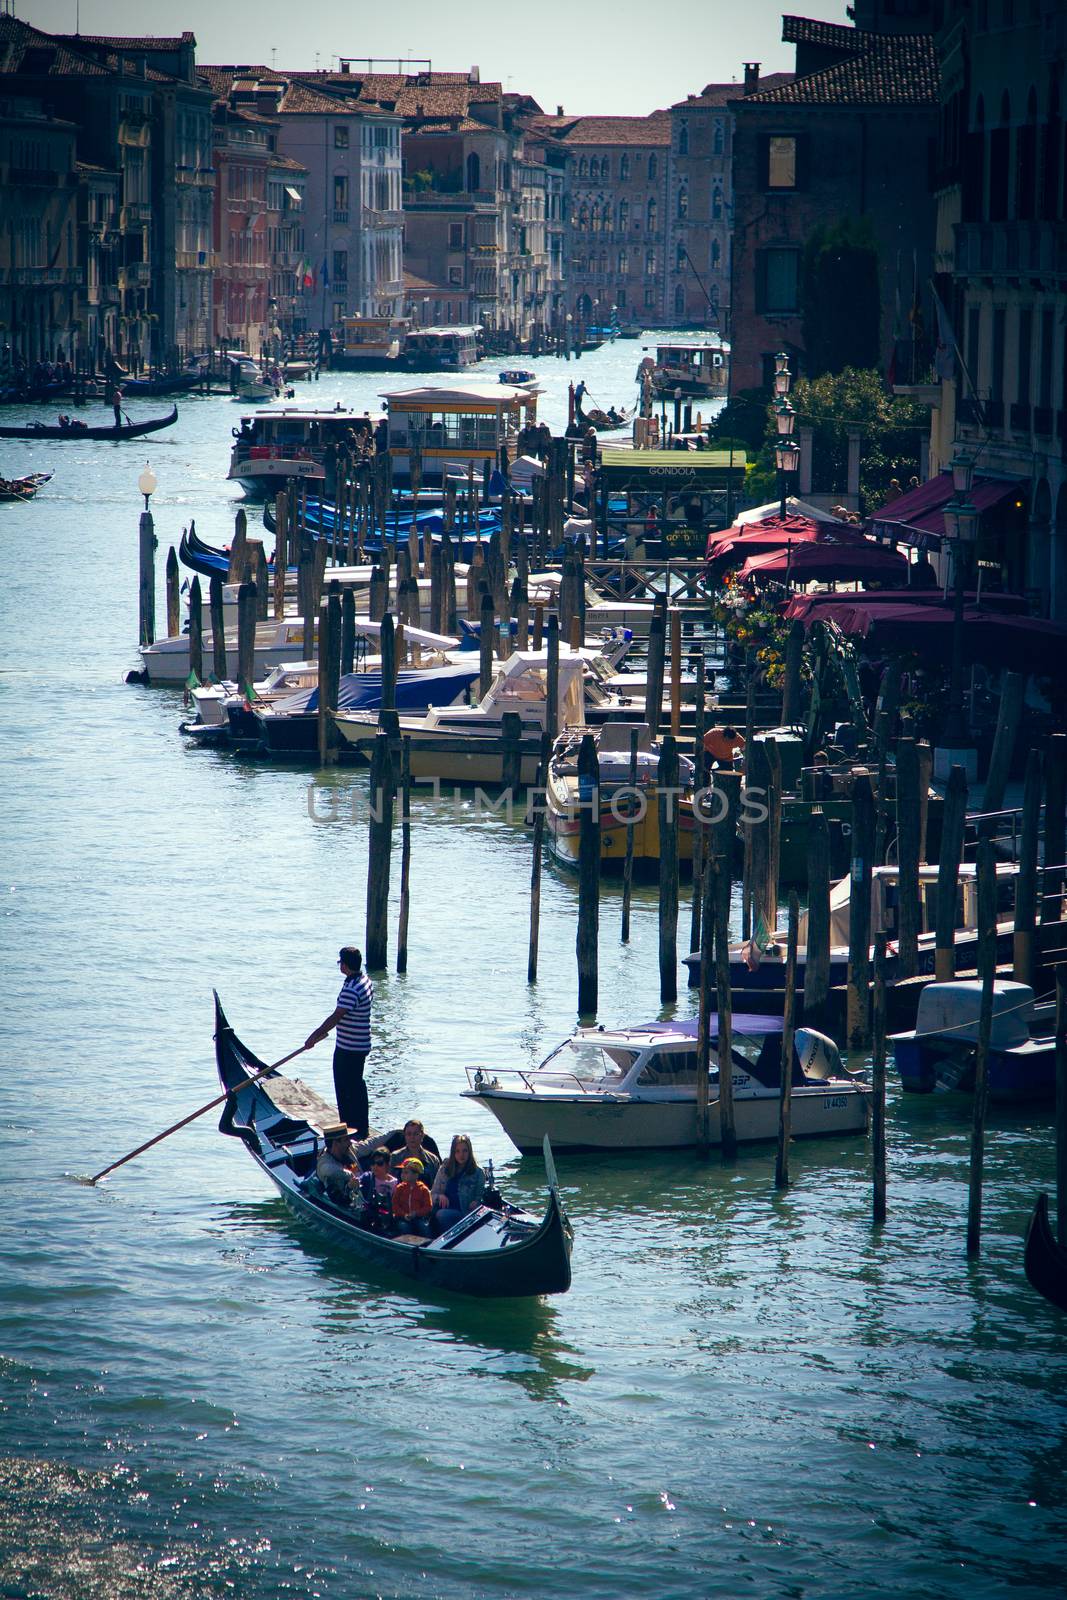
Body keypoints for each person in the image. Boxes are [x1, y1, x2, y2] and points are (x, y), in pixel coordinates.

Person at [304, 946, 374, 1137]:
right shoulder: (365, 980)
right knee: (356, 1086)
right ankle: (360, 1127)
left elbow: (336, 1016)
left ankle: (351, 1129)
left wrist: (314, 1036)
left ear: (344, 965)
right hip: (360, 1044)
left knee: (345, 1090)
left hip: (349, 1047)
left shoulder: (351, 989)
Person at [430, 1134, 486, 1235]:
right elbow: (433, 1194)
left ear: (470, 1152)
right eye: (457, 1151)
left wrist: (476, 1202)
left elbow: (480, 1197)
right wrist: (440, 1196)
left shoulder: (478, 1172)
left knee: (442, 1215)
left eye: (465, 1151)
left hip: (465, 1213)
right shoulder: (444, 1169)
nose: (461, 1155)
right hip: (445, 1209)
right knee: (440, 1214)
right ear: (453, 1153)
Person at [316, 1122, 362, 1205]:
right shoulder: (325, 1163)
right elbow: (327, 1170)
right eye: (346, 1140)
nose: (350, 1142)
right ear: (335, 1143)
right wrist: (351, 1175)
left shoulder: (348, 1151)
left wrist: (392, 1133)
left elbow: (370, 1144)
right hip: (346, 1201)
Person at [388, 1118, 440, 1183]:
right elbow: (390, 1182)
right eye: (409, 1134)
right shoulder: (395, 1157)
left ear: (422, 1136)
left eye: (416, 1134)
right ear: (405, 1136)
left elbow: (437, 1186)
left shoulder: (433, 1160)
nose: (412, 1137)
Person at [391, 1157, 433, 1236]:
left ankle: (428, 1244)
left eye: (406, 1172)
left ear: (416, 1175)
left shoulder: (423, 1189)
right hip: (402, 1218)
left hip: (419, 1218)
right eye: (402, 1172)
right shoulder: (399, 1188)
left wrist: (416, 1213)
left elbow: (428, 1207)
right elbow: (394, 1205)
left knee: (424, 1227)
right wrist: (404, 1214)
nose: (402, 1175)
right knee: (404, 1227)